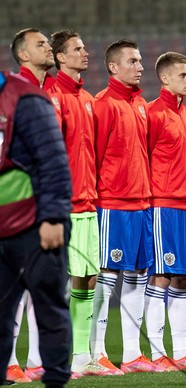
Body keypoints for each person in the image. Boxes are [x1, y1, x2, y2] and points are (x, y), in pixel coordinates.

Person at [91, 40, 162, 373]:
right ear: (113, 67)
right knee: (107, 277)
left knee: (137, 277)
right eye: (133, 61)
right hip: (113, 204)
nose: (141, 66)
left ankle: (133, 355)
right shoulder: (103, 105)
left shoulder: (141, 105)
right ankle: (96, 352)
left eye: (141, 60)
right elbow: (93, 157)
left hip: (142, 204)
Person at [47, 29, 115, 377]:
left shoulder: (87, 98)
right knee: (58, 280)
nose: (84, 53)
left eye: (84, 47)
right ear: (60, 57)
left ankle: (79, 357)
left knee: (87, 279)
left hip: (88, 202)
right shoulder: (52, 94)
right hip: (64, 204)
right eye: (77, 49)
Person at [0, 70, 73, 387]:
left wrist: (53, 217)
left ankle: (55, 380)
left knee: (49, 307)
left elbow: (53, 160)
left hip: (32, 226)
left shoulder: (25, 97)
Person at [144, 51, 186, 370]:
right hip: (163, 206)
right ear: (165, 78)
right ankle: (158, 355)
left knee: (184, 279)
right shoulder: (152, 114)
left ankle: (181, 352)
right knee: (160, 276)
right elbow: (141, 160)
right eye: (183, 75)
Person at [5, 27, 56, 383]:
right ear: (23, 54)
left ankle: (37, 361)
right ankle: (9, 362)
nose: (48, 47)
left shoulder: (48, 94)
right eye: (41, 44)